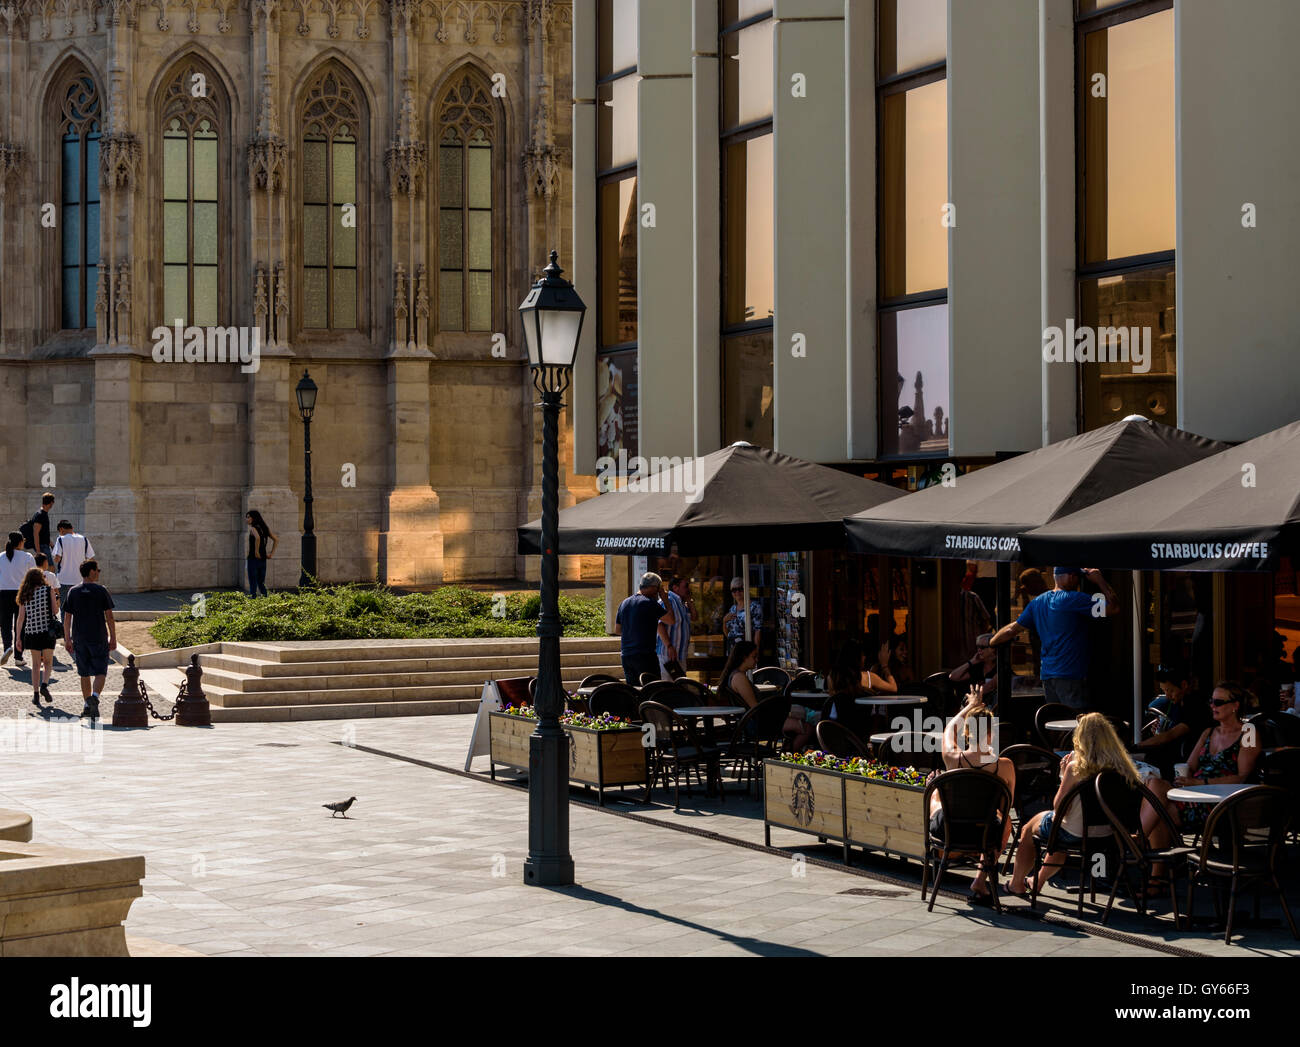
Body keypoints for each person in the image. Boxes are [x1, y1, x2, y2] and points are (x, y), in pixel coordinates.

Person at [1007, 712, 1140, 897]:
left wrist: (1062, 775)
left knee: (1030, 828)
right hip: (1109, 833)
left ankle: (1016, 884)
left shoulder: (1076, 766)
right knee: (1057, 831)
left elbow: (1060, 807)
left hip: (1075, 832)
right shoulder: (1121, 766)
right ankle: (1036, 880)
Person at [1143, 682, 1262, 844]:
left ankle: (1140, 843)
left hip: (1222, 804)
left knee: (1159, 811)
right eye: (1211, 702)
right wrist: (1188, 785)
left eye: (1218, 702)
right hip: (1196, 796)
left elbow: (1241, 777)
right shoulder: (1209, 732)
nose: (1213, 706)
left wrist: (1198, 783)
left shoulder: (1248, 732)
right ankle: (1143, 845)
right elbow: (1189, 767)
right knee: (1155, 784)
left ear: (1235, 705)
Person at [989, 566, 1118, 712]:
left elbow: (1011, 629)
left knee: (1056, 723)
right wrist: (1099, 580)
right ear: (1070, 576)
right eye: (1077, 577)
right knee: (1076, 725)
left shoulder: (1037, 603)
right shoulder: (1074, 599)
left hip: (1048, 676)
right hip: (1071, 675)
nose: (1077, 581)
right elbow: (1113, 608)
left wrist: (991, 642)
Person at [930, 688, 1016, 905]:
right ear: (991, 733)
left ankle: (943, 854)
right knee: (1004, 820)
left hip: (949, 828)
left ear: (967, 732)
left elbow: (949, 729)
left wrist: (970, 705)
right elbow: (1008, 806)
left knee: (935, 793)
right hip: (985, 832)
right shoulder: (1005, 767)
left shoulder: (953, 758)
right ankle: (980, 878)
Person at [1129, 662, 1207, 780]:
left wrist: (1138, 746)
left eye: (1170, 691)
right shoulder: (1176, 704)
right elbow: (1166, 733)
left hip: (1185, 762)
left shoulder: (1196, 706)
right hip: (1171, 755)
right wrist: (1157, 733)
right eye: (1164, 691)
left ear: (1184, 685)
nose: (1168, 696)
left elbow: (1171, 735)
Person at [62, 559, 117, 720]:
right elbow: (110, 617)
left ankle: (87, 705)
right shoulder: (101, 590)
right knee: (101, 671)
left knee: (84, 673)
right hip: (98, 637)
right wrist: (113, 637)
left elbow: (67, 619)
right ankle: (94, 697)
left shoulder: (73, 591)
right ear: (91, 572)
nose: (99, 572)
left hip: (79, 637)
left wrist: (67, 639)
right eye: (97, 570)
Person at [615, 572, 675, 686]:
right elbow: (671, 620)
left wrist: (634, 630)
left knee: (634, 691)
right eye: (659, 589)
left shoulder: (624, 603)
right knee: (652, 689)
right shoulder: (649, 603)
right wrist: (665, 599)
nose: (659, 592)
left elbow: (617, 630)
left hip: (626, 656)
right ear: (653, 587)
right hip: (645, 655)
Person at [14, 566, 58, 708]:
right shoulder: (48, 590)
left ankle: (35, 695)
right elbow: (55, 610)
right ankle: (44, 685)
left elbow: (20, 619)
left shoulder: (24, 594)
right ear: (41, 578)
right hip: (47, 631)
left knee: (35, 665)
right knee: (48, 662)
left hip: (31, 633)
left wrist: (18, 639)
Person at [0, 531, 37, 665]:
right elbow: (34, 576)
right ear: (21, 542)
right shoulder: (27, 556)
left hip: (3, 593)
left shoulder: (1, 557)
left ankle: (7, 648)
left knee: (5, 624)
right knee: (20, 624)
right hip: (22, 593)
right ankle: (18, 656)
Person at [52, 521, 95, 608]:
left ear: (61, 529)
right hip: (80, 578)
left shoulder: (60, 539)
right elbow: (91, 559)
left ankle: (65, 622)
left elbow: (57, 559)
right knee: (80, 606)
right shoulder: (84, 539)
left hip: (64, 579)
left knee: (64, 606)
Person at [949, 633, 997, 707]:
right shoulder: (978, 666)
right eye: (977, 647)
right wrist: (972, 661)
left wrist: (970, 698)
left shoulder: (1000, 667)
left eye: (982, 647)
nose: (979, 650)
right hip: (975, 707)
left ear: (994, 648)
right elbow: (953, 677)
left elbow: (990, 686)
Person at [657, 575, 691, 680]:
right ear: (675, 588)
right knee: (667, 690)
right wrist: (669, 646)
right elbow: (659, 624)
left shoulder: (681, 603)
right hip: (668, 655)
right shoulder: (669, 601)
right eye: (686, 586)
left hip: (680, 655)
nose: (688, 589)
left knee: (679, 690)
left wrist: (690, 600)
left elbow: (695, 617)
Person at [723, 578, 763, 657]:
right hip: (732, 649)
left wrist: (755, 652)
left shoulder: (754, 607)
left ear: (746, 590)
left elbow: (758, 631)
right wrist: (724, 621)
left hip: (746, 648)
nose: (737, 592)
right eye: (734, 590)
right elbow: (728, 633)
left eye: (740, 589)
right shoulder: (732, 609)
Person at [717, 640, 760, 710]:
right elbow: (754, 706)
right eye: (754, 657)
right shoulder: (739, 678)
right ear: (744, 657)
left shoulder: (737, 675)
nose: (757, 660)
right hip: (752, 719)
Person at [245, 510, 278, 598]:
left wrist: (256, 552)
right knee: (261, 582)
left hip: (253, 558)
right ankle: (265, 601)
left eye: (248, 517)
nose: (246, 519)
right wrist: (271, 553)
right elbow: (276, 539)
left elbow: (258, 538)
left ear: (253, 518)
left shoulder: (253, 528)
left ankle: (253, 601)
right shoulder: (264, 528)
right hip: (263, 559)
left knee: (253, 582)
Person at [19, 492, 56, 562]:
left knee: (47, 568)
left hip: (44, 545)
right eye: (53, 502)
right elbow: (35, 533)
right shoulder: (40, 515)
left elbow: (44, 533)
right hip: (42, 547)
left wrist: (52, 545)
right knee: (50, 567)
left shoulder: (43, 514)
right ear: (51, 503)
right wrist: (38, 551)